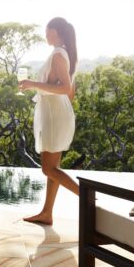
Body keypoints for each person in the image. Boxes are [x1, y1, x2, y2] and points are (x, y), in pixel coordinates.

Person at [20, 17, 79, 225]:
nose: (45, 35)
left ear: (55, 31)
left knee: (48, 169)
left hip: (55, 115)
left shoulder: (58, 55)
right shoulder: (62, 54)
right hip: (55, 112)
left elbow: (66, 89)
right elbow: (67, 93)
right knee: (52, 168)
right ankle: (47, 213)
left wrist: (32, 84)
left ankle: (86, 197)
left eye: (47, 31)